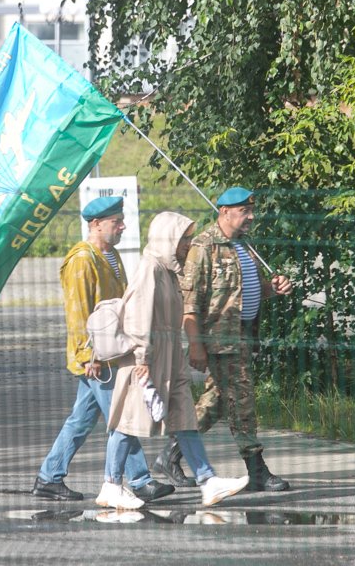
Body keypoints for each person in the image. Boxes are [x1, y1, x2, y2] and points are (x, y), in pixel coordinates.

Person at [96, 212, 250, 510]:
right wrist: (141, 357)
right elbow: (139, 316)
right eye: (184, 239)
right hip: (148, 358)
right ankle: (111, 484)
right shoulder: (149, 269)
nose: (188, 244)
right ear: (169, 238)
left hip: (170, 356)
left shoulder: (169, 271)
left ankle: (208, 481)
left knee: (184, 417)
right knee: (131, 421)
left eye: (190, 238)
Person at [31, 196, 174, 503]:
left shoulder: (110, 255)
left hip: (110, 352)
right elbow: (78, 311)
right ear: (95, 225)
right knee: (122, 416)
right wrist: (87, 357)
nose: (122, 227)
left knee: (82, 420)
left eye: (121, 221)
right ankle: (139, 480)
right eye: (115, 222)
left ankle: (48, 477)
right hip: (97, 358)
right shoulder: (83, 259)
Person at [152, 187, 293, 492]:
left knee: (215, 403)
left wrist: (274, 287)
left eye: (251, 210)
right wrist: (197, 345)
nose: (251, 217)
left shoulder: (244, 245)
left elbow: (251, 290)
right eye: (244, 211)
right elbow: (190, 303)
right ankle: (257, 470)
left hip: (242, 338)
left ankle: (170, 454)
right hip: (219, 341)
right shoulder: (204, 247)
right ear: (225, 211)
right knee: (242, 402)